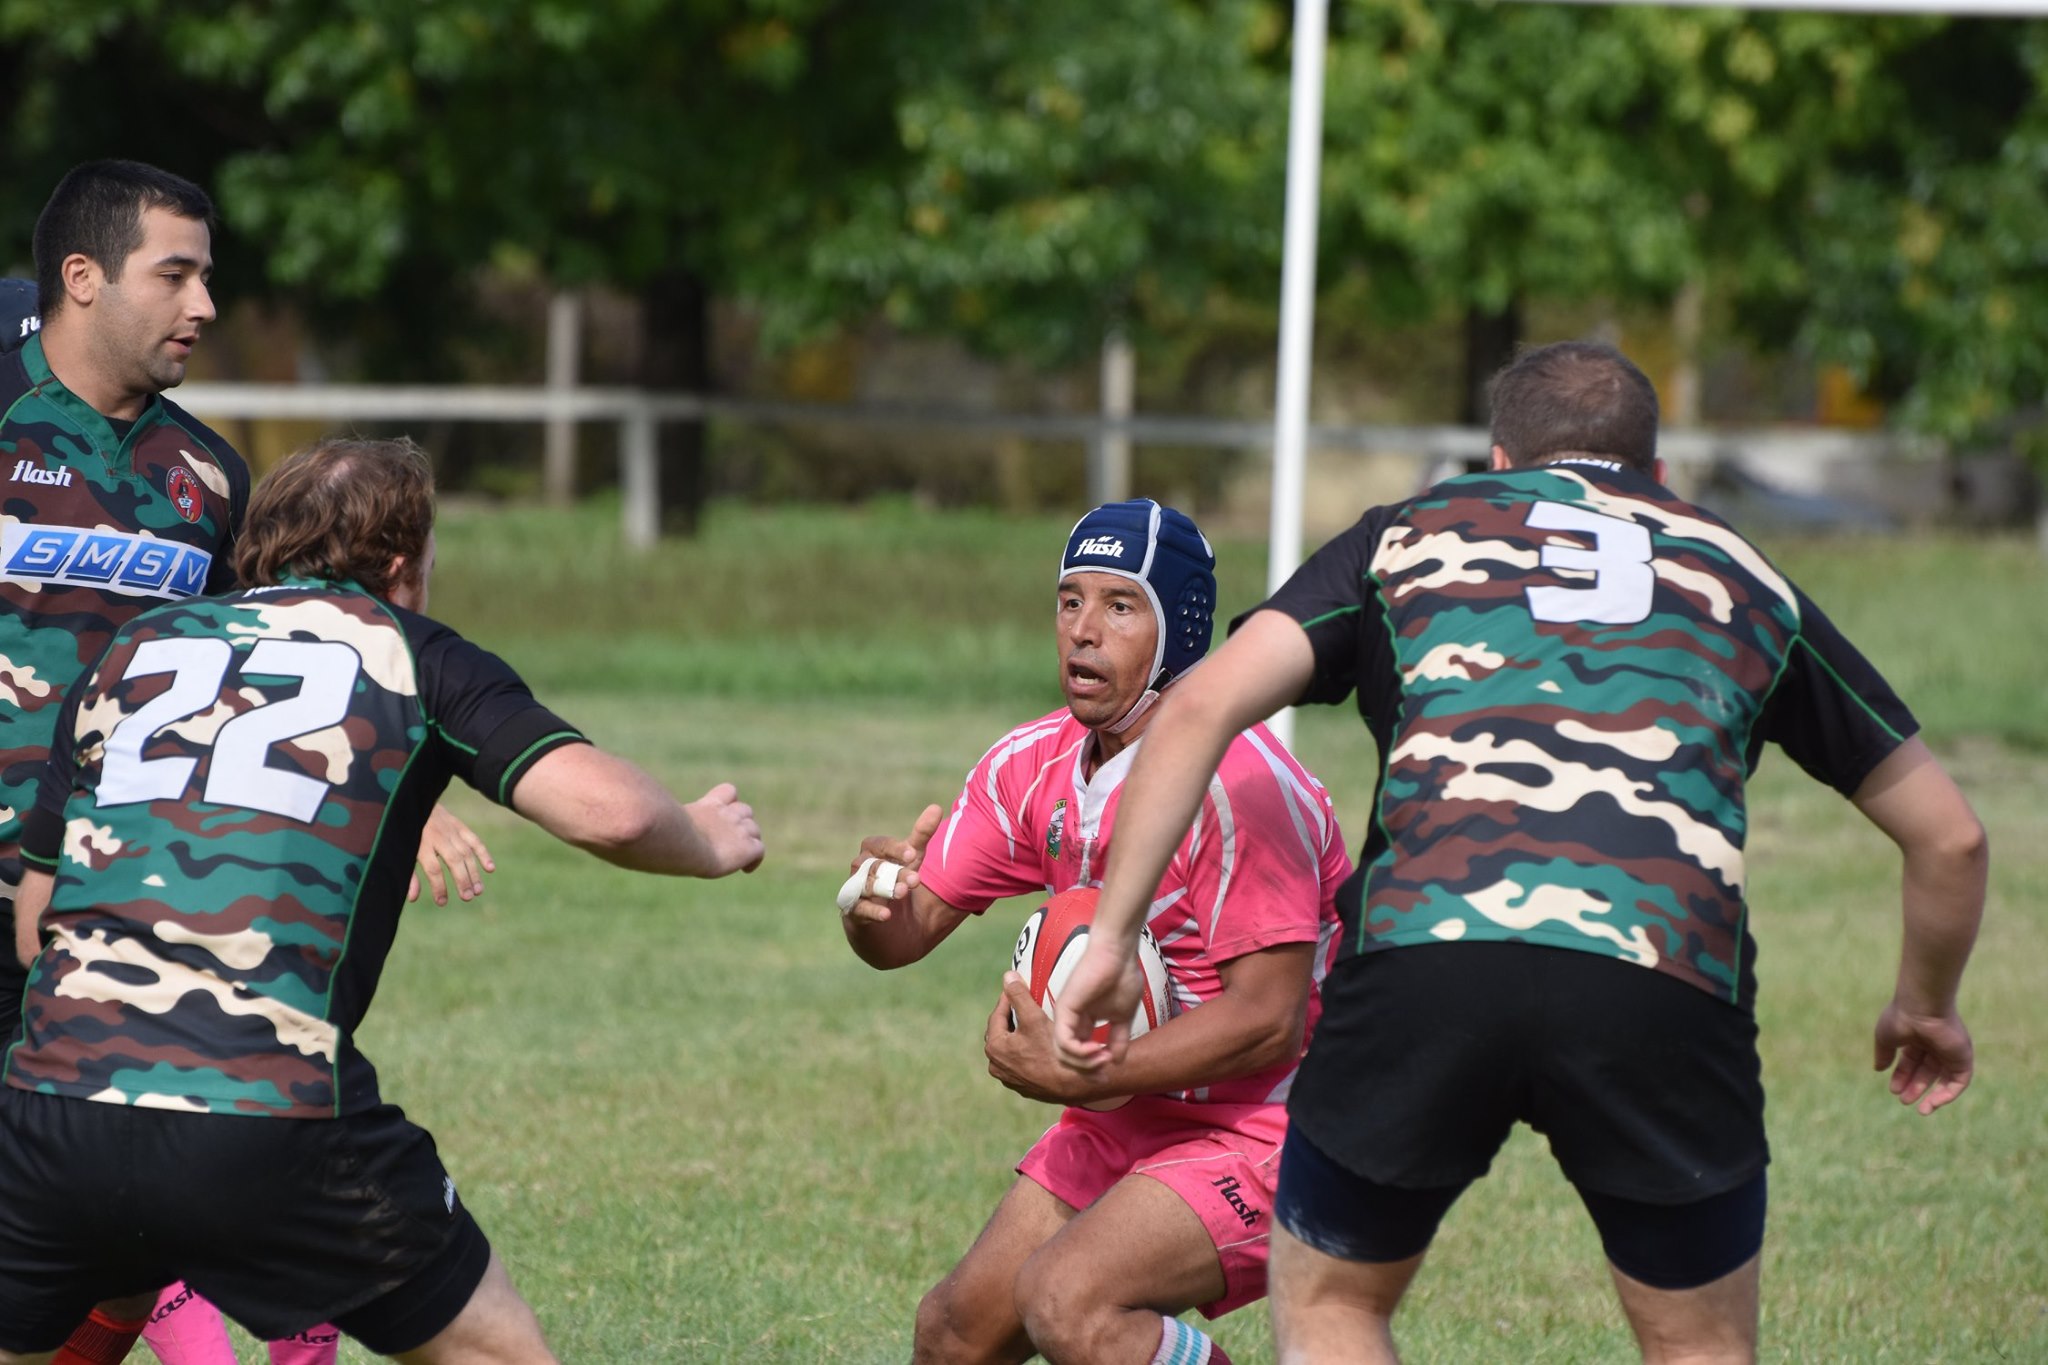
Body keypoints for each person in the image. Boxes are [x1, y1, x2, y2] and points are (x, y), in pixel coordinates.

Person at [1051, 341, 1989, 1364]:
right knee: (1698, 1347)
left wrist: (1110, 936)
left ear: (1496, 461)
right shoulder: (1742, 571)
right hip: (1659, 970)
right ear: (1657, 476)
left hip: (1424, 950)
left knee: (1332, 1310)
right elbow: (1949, 836)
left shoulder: (1404, 535)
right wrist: (1923, 1005)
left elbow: (1196, 708)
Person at [0, 434, 766, 1361]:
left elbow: (35, 928)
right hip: (265, 1111)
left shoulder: (134, 646)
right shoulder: (413, 654)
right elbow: (608, 812)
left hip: (52, 1108)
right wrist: (708, 840)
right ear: (401, 563)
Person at [0, 163, 487, 1365]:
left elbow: (281, 663)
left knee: (106, 1229)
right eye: (178, 272)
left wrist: (397, 793)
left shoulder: (206, 477)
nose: (206, 303)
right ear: (80, 280)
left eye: (207, 274)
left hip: (96, 900)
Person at [840, 498, 1350, 1365]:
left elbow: (1272, 1017)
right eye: (1070, 600)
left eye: (1120, 605)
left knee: (1069, 1302)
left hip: (1287, 1121)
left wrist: (1085, 1069)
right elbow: (906, 933)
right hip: (1136, 1109)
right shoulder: (1029, 766)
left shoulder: (1242, 783)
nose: (1082, 630)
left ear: (1181, 631)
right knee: (955, 1333)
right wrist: (872, 906)